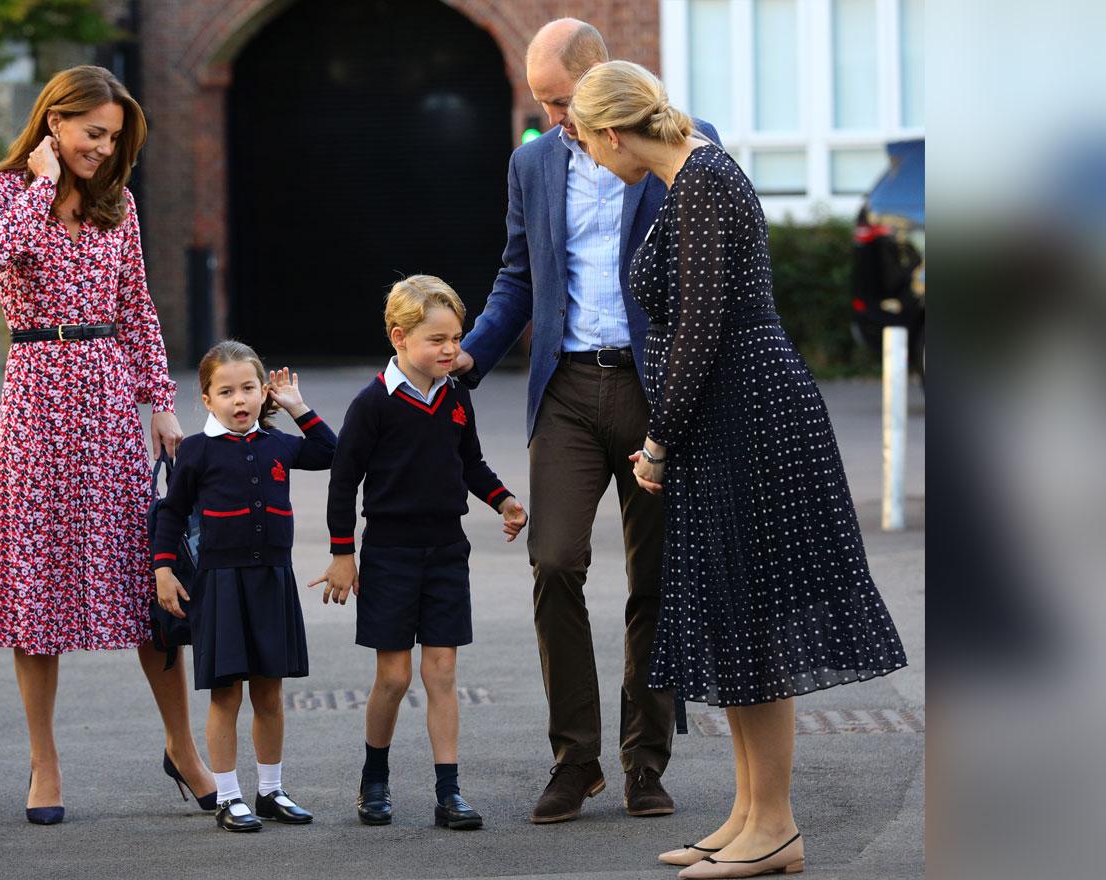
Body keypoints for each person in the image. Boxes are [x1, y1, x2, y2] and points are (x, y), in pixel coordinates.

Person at [567, 60, 908, 877]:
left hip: (750, 415)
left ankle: (777, 828)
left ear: (613, 131)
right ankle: (752, 815)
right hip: (730, 416)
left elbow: (697, 330)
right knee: (735, 616)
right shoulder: (691, 178)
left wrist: (655, 444)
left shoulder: (705, 179)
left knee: (753, 615)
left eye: (583, 140)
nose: (585, 156)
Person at [452, 18, 720, 824]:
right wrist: (468, 354)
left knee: (657, 580)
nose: (554, 117)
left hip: (653, 390)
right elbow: (516, 273)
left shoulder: (685, 144)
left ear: (603, 76)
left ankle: (646, 759)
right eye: (541, 103)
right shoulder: (532, 160)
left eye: (563, 100)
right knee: (556, 562)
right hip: (565, 388)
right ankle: (576, 759)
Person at [0, 65, 216, 825]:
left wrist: (163, 408)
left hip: (109, 400)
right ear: (54, 122)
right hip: (37, 397)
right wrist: (42, 183)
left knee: (152, 586)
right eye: (92, 133)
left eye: (114, 139)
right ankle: (45, 766)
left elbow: (136, 308)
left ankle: (184, 748)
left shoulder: (121, 205)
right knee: (35, 593)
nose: (104, 150)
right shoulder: (3, 190)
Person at [312, 276, 528, 831]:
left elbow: (470, 462)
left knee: (442, 671)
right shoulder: (372, 404)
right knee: (393, 678)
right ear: (400, 337)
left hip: (447, 552)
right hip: (389, 552)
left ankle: (449, 791)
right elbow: (343, 480)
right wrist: (343, 554)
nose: (451, 349)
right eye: (438, 339)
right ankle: (375, 779)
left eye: (455, 337)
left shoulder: (457, 397)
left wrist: (502, 499)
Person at [151, 341, 337, 832]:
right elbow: (170, 513)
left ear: (263, 393)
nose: (240, 400)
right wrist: (163, 569)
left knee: (270, 694)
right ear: (207, 399)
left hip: (273, 580)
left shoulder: (279, 444)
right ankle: (228, 796)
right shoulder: (196, 450)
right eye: (226, 391)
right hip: (220, 586)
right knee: (225, 695)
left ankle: (271, 790)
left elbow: (332, 452)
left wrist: (298, 407)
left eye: (249, 389)